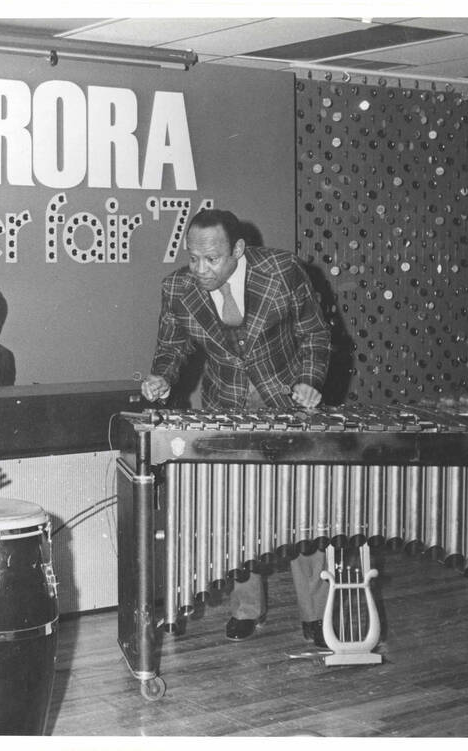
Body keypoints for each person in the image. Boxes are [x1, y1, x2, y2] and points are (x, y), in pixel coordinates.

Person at [140, 208, 332, 645]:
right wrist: (163, 377)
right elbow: (171, 348)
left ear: (238, 250)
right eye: (193, 258)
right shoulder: (178, 288)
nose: (201, 270)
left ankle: (317, 615)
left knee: (304, 513)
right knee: (240, 513)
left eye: (212, 259)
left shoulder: (282, 272)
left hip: (288, 404)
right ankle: (247, 609)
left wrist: (308, 381)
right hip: (226, 405)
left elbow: (316, 335)